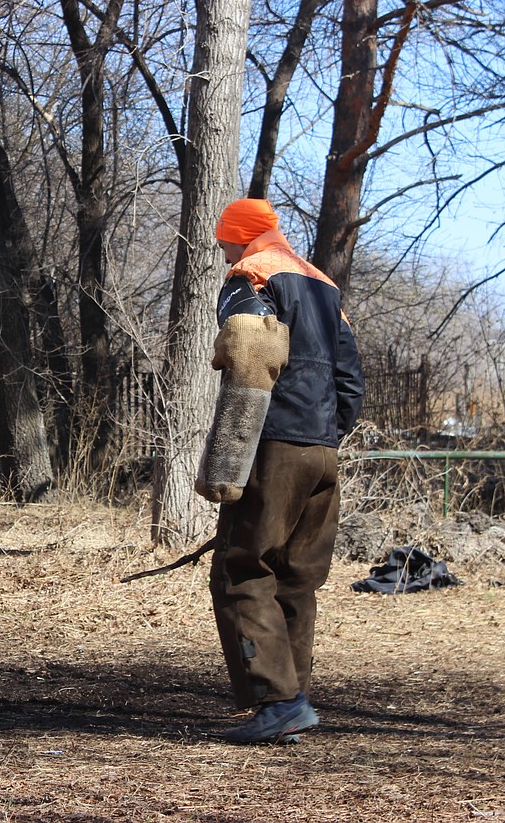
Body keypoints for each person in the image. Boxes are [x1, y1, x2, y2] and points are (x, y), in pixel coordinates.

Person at [196, 198, 364, 743]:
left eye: (225, 239)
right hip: (323, 450)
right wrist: (326, 435)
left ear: (240, 238)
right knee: (296, 576)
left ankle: (278, 702)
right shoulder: (323, 285)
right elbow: (350, 379)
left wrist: (229, 459)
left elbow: (248, 357)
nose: (222, 249)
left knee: (242, 568)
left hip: (274, 445)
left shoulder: (251, 276)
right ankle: (295, 699)